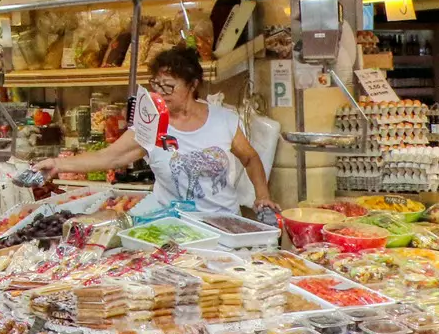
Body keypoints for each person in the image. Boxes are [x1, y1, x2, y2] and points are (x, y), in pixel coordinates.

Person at [39, 45, 278, 218]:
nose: (161, 92)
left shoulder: (223, 120)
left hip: (225, 224)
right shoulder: (151, 125)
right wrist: (58, 164)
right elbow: (109, 157)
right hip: (174, 229)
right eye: (157, 84)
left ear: (193, 85)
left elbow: (250, 158)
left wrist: (262, 195)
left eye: (169, 86)